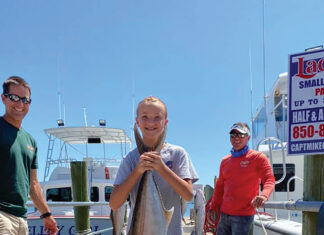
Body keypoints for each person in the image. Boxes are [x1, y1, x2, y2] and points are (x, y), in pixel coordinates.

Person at [109, 96, 198, 235]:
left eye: (157, 117)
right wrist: (138, 171)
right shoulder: (130, 159)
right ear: (137, 122)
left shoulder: (178, 153)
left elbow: (188, 195)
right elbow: (114, 204)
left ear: (165, 122)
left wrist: (162, 169)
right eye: (145, 117)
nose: (151, 122)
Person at [0, 76, 58, 235]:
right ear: (3, 98)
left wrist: (46, 214)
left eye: (25, 100)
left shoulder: (31, 141)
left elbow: (33, 183)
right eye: (14, 98)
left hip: (21, 218)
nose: (20, 104)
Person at [209, 122, 275, 235]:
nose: (236, 138)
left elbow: (269, 178)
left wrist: (264, 195)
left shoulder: (258, 157)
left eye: (240, 135)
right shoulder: (225, 161)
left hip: (244, 216)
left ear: (248, 137)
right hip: (224, 214)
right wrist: (213, 206)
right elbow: (220, 186)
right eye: (233, 135)